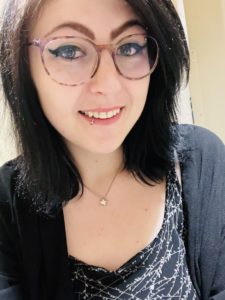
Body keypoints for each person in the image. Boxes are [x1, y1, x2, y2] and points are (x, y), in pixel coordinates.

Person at [0, 0, 224, 299]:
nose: (107, 85)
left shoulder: (200, 161)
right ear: (22, 67)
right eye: (69, 51)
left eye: (130, 47)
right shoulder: (6, 208)